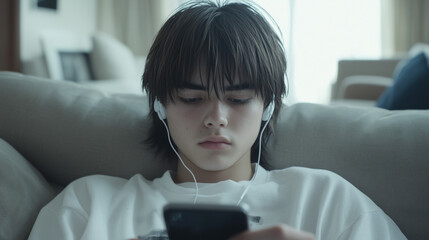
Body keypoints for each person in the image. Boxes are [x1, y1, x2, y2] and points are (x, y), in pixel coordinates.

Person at [29, 1, 406, 239]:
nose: (216, 118)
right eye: (192, 98)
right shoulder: (88, 205)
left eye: (239, 99)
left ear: (269, 108)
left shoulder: (326, 201)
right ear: (161, 105)